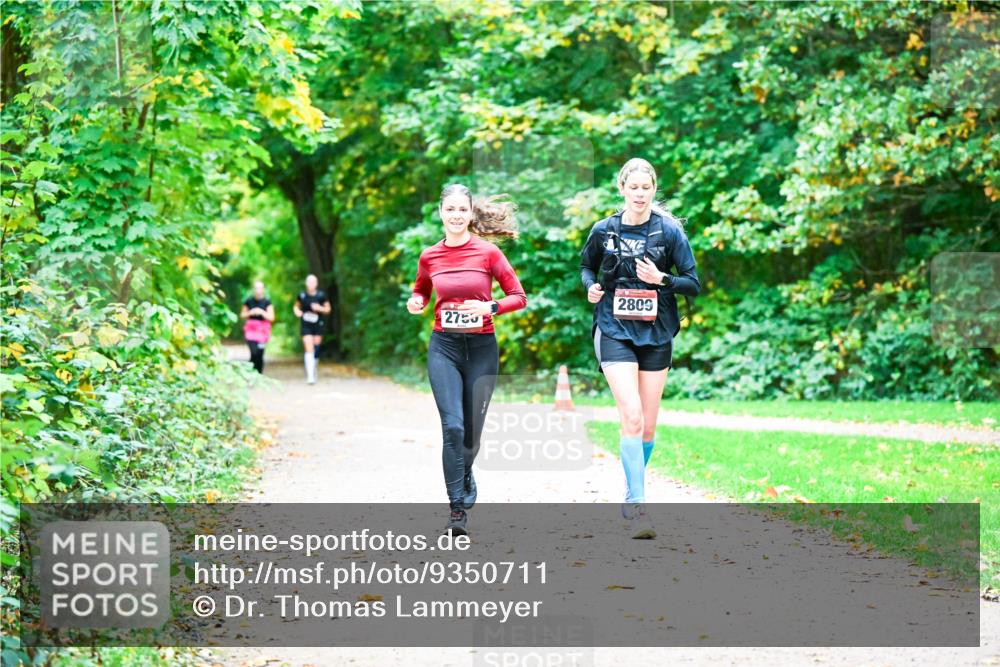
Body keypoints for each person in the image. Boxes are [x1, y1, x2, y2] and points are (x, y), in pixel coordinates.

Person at [580, 158, 701, 539]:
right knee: (630, 416)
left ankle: (634, 487)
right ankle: (637, 502)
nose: (639, 194)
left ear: (653, 190)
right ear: (622, 189)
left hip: (658, 331)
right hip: (614, 328)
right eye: (633, 188)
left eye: (645, 188)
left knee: (647, 427)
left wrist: (662, 278)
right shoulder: (604, 230)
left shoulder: (669, 232)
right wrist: (591, 287)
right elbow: (586, 267)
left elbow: (693, 283)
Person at [407, 184, 527, 537]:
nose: (457, 215)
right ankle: (456, 509)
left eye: (463, 209)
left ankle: (464, 470)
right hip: (443, 348)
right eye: (451, 210)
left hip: (481, 349)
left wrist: (491, 306)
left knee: (471, 436)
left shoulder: (488, 253)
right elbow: (421, 291)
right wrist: (416, 301)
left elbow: (519, 297)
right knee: (453, 428)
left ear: (470, 213)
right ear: (441, 213)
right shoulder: (429, 256)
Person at [293, 274, 331, 384]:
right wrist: (298, 312)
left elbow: (328, 309)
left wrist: (320, 308)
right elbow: (296, 306)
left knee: (316, 348)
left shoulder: (321, 296)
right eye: (309, 282)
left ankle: (314, 368)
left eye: (313, 282)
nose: (311, 284)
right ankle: (310, 376)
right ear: (306, 283)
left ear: (316, 284)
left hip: (318, 323)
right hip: (306, 324)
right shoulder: (302, 295)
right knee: (308, 347)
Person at [240, 280, 275, 374]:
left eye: (260, 288)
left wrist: (262, 312)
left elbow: (272, 317)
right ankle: (251, 372)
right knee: (254, 353)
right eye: (256, 288)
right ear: (253, 289)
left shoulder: (267, 302)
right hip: (251, 330)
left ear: (263, 289)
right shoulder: (248, 301)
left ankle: (259, 374)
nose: (258, 290)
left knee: (260, 354)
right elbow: (242, 315)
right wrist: (250, 312)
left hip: (263, 331)